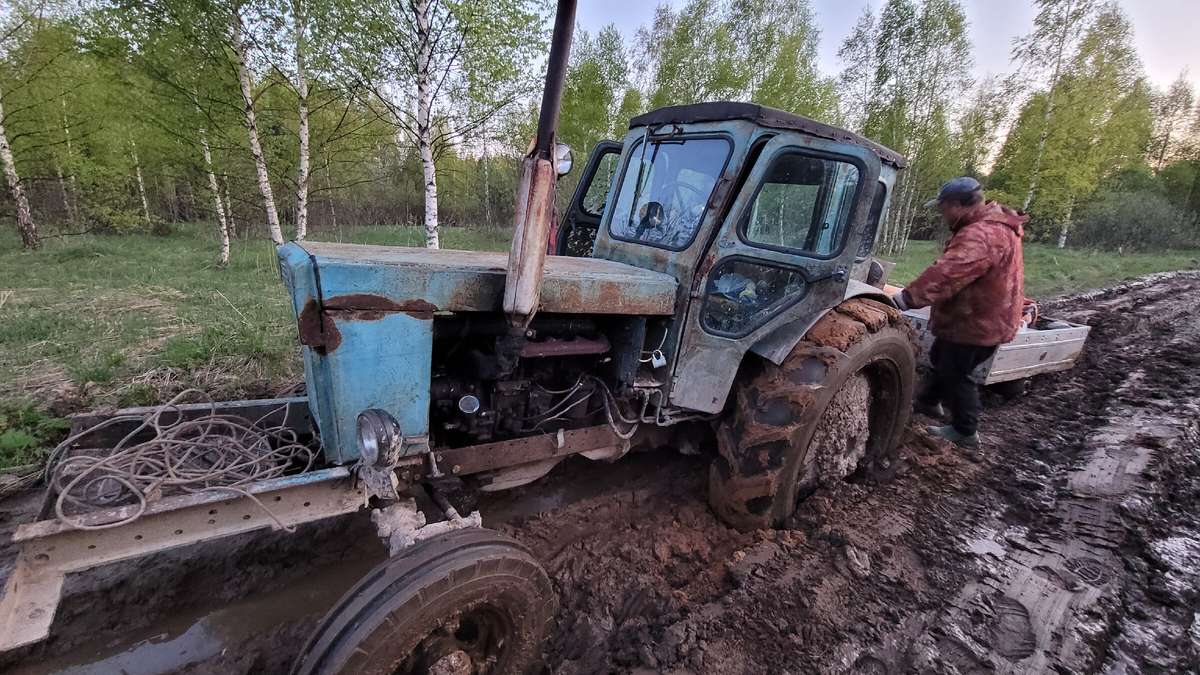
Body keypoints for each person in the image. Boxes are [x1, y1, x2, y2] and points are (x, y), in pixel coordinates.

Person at [891, 177, 1028, 447]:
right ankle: (929, 401)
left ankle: (965, 430)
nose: (941, 213)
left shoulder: (981, 235)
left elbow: (947, 273)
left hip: (978, 321)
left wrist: (906, 299)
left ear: (957, 205)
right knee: (942, 356)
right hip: (982, 314)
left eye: (943, 207)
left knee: (956, 372)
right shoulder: (994, 227)